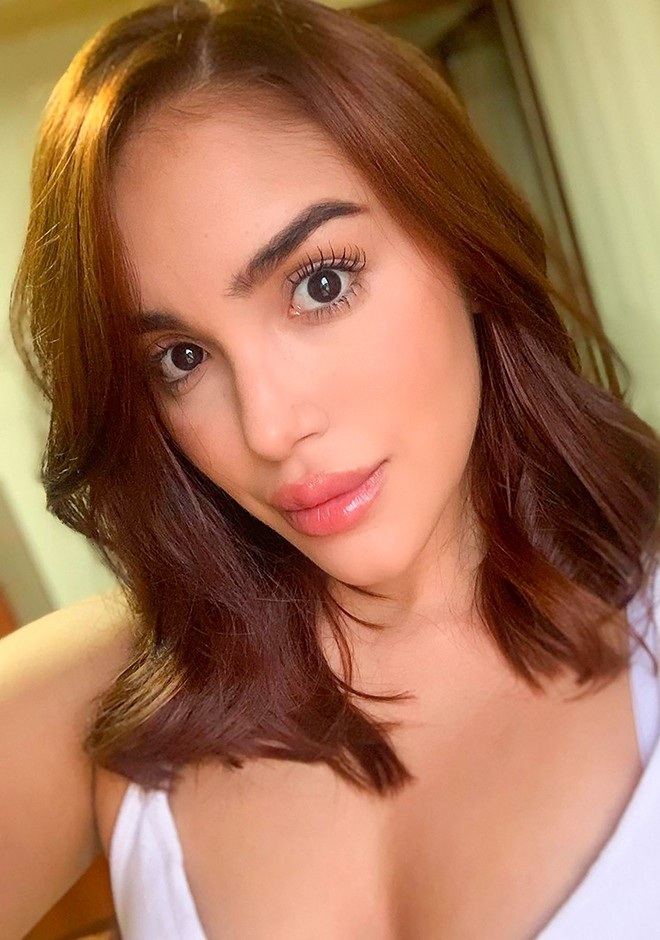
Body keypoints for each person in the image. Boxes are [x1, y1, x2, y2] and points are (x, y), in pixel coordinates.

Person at [3, 0, 660, 936]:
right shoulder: (119, 710)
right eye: (182, 358)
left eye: (321, 283)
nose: (269, 428)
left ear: (463, 247)